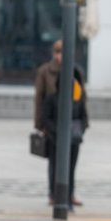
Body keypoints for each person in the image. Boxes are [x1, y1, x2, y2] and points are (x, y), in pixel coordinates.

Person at [34, 40, 83, 207]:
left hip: (72, 122)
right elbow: (39, 99)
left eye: (63, 53)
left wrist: (84, 124)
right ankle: (53, 194)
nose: (60, 56)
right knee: (54, 162)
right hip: (52, 120)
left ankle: (69, 193)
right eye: (58, 53)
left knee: (71, 162)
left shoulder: (75, 71)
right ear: (53, 54)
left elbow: (82, 96)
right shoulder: (45, 72)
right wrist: (40, 124)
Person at [43, 66, 89, 211]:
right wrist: (57, 132)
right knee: (56, 168)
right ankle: (56, 196)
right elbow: (47, 118)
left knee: (71, 168)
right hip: (55, 139)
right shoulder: (52, 98)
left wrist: (78, 131)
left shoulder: (78, 99)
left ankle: (69, 197)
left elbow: (84, 118)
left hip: (73, 140)